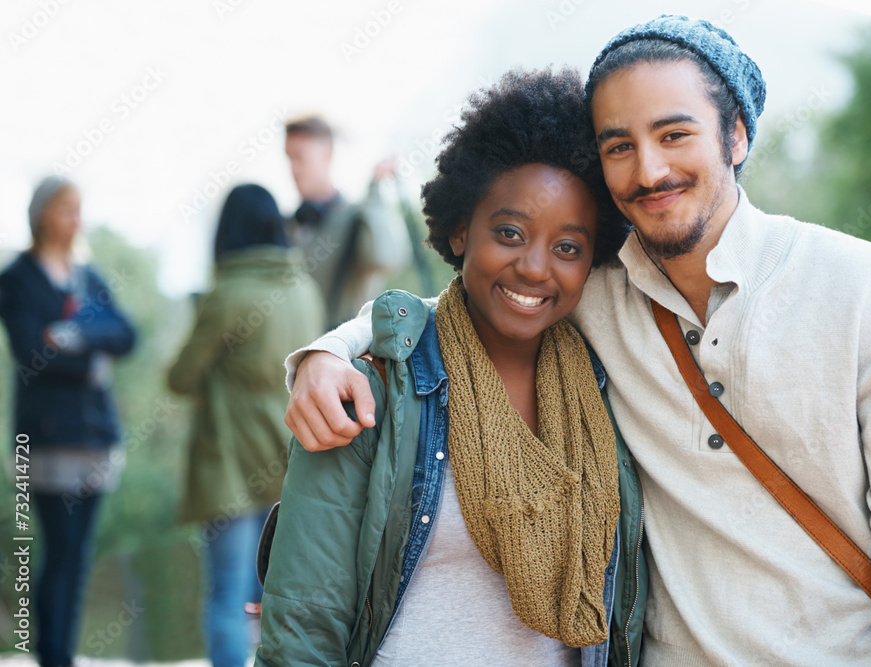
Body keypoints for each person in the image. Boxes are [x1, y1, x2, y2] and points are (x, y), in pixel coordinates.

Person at [280, 15, 871, 665]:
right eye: (619, 146)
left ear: (735, 134)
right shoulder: (599, 295)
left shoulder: (861, 286)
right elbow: (470, 300)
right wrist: (326, 352)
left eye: (674, 134)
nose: (648, 170)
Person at [256, 68, 645, 667]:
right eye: (510, 232)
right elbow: (304, 624)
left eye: (568, 246)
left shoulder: (607, 386)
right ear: (461, 229)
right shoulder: (370, 389)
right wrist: (327, 353)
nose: (536, 268)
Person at [167, 183, 324, 667]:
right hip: (291, 464)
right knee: (273, 601)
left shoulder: (228, 293)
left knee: (227, 598)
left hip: (229, 467)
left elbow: (180, 377)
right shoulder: (304, 288)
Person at [0, 176, 137, 667]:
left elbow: (126, 334)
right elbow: (29, 349)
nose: (75, 219)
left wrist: (73, 335)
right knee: (59, 548)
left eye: (79, 209)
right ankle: (51, 653)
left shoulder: (88, 277)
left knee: (79, 555)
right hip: (46, 439)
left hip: (95, 437)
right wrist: (90, 358)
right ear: (42, 215)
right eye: (65, 209)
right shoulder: (17, 277)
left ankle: (62, 653)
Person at [284, 115, 412, 329]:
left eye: (299, 157)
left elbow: (387, 257)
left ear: (328, 153)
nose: (293, 169)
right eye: (288, 158)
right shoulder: (287, 224)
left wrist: (375, 192)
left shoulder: (358, 217)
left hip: (342, 355)